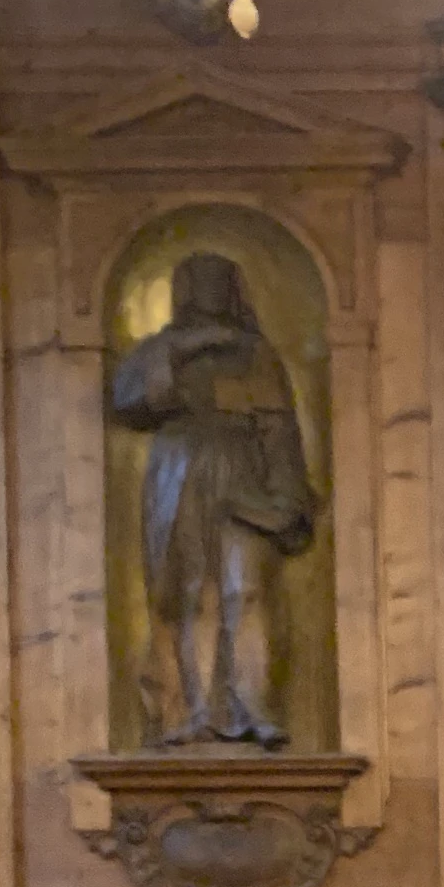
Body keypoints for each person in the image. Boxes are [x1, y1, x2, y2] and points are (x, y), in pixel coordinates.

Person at [106, 251, 314, 748]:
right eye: (200, 283)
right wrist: (189, 345)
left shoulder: (256, 354)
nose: (211, 293)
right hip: (180, 469)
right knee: (190, 590)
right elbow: (129, 401)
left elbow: (278, 429)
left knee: (248, 588)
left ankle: (251, 706)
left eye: (220, 283)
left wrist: (286, 496)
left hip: (244, 475)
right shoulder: (163, 349)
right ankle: (192, 713)